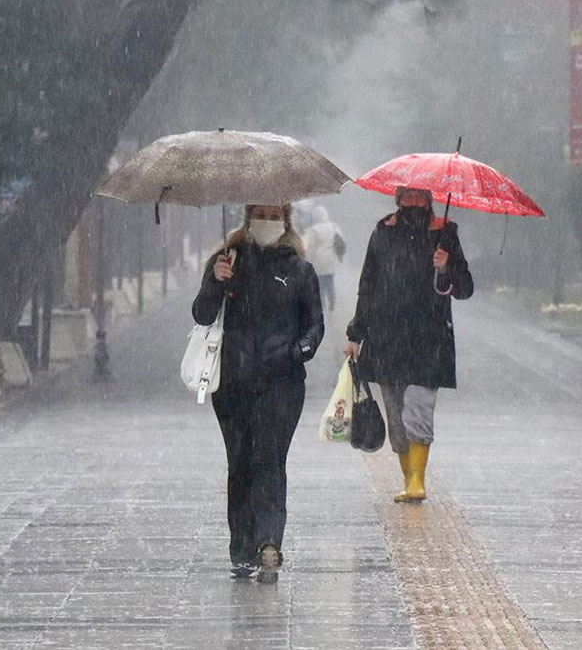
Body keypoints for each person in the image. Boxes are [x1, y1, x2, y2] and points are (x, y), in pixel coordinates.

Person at [192, 204, 324, 583]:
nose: (266, 220)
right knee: (241, 463)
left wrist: (298, 350)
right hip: (232, 381)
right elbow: (202, 314)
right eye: (259, 213)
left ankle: (268, 542)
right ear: (248, 218)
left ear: (285, 220)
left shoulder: (299, 270)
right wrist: (216, 281)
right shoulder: (227, 261)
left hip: (281, 384)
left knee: (270, 459)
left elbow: (315, 325)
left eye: (273, 213)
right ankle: (241, 548)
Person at [343, 187, 474, 503]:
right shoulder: (382, 231)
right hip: (386, 339)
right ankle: (407, 477)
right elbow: (368, 286)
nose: (413, 203)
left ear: (430, 200)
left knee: (418, 409)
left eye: (420, 197)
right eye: (407, 196)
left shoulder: (445, 232)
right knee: (396, 416)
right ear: (397, 199)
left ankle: (417, 481)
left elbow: (465, 288)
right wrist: (355, 333)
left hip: (429, 341)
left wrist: (446, 267)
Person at [303, 206, 345, 312]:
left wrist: (308, 261)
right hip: (331, 259)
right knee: (329, 281)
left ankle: (323, 306)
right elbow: (340, 241)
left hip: (318, 261)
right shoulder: (333, 226)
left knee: (320, 284)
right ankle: (332, 303)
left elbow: (311, 247)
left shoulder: (314, 230)